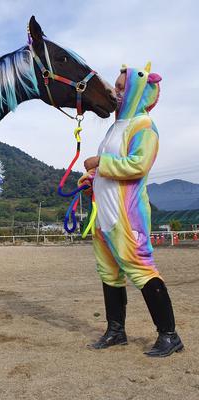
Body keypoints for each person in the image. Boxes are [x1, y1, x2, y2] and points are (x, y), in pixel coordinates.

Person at [80, 62, 184, 357]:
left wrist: (101, 164)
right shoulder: (115, 127)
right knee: (109, 272)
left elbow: (139, 165)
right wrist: (91, 180)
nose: (116, 91)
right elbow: (110, 170)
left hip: (127, 218)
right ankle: (116, 331)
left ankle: (169, 335)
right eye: (116, 85)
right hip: (104, 215)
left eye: (123, 87)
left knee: (141, 269)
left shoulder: (144, 127)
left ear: (139, 91)